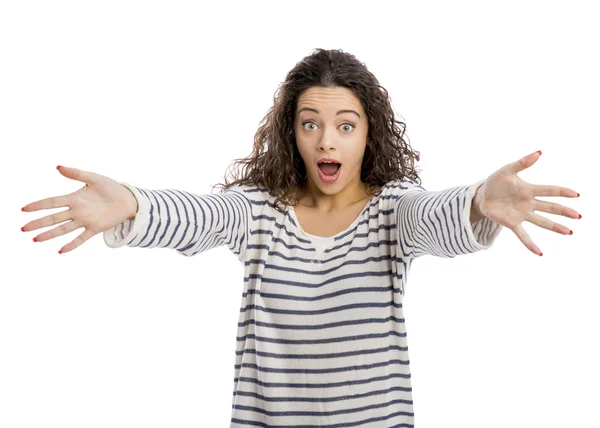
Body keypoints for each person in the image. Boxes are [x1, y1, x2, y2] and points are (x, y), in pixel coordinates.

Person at [20, 48, 581, 427]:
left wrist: (478, 200)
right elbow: (203, 216)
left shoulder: (392, 210)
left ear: (368, 134)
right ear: (291, 132)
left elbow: (431, 218)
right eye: (310, 123)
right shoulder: (260, 212)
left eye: (345, 125)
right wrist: (134, 206)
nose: (326, 141)